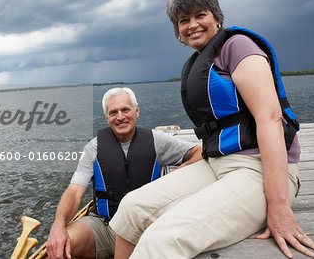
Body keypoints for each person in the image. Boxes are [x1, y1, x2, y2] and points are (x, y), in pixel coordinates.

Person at [110, 0, 314, 259]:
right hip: (217, 164)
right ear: (178, 33)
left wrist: (279, 206)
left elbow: (270, 119)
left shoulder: (238, 47)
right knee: (131, 207)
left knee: (163, 238)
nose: (192, 25)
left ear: (217, 18)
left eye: (201, 15)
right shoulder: (196, 63)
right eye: (183, 20)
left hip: (259, 168)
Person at [45, 87, 207, 259]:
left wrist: (170, 179)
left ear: (136, 111)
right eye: (113, 112)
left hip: (143, 229)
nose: (120, 117)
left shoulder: (156, 141)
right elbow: (74, 192)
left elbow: (199, 152)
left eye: (125, 110)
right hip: (103, 225)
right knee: (62, 247)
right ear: (107, 117)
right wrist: (58, 226)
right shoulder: (93, 148)